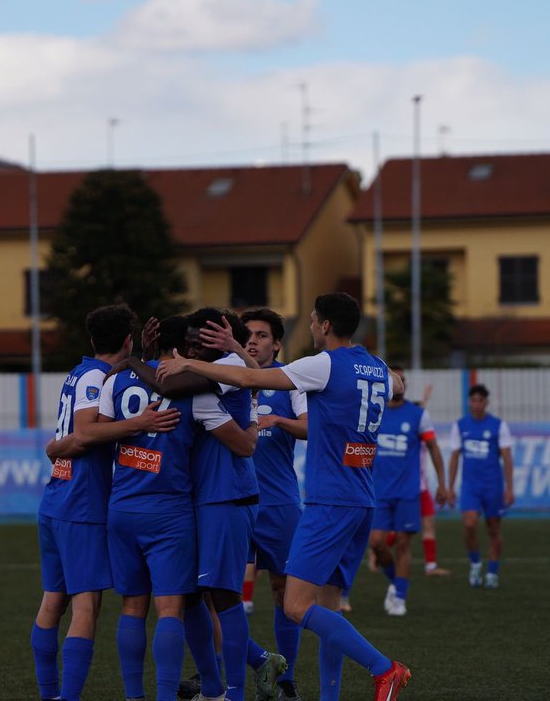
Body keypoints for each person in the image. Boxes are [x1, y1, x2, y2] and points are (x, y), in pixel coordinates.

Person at [159, 292, 412, 701]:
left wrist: (188, 361)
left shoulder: (324, 363)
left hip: (329, 501)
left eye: (313, 320)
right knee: (327, 607)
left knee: (295, 605)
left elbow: (248, 378)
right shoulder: (377, 366)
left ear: (326, 325)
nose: (311, 327)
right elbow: (399, 384)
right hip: (363, 497)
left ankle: (385, 669)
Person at [123, 308, 285, 701]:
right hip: (202, 499)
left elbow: (244, 444)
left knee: (225, 596)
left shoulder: (221, 368)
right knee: (194, 595)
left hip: (226, 497)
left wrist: (132, 361)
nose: (195, 345)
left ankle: (234, 691)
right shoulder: (213, 369)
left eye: (204, 338)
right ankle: (225, 680)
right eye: (192, 339)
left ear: (224, 338)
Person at [33, 304, 180, 701]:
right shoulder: (97, 377)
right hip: (80, 504)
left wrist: (54, 447)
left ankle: (50, 695)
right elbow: (83, 434)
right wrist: (140, 424)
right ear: (127, 339)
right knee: (85, 607)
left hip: (56, 498)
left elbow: (73, 436)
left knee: (53, 602)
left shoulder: (82, 372)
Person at [200, 308, 308, 701]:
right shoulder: (223, 376)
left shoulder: (291, 380)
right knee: (215, 592)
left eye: (262, 335)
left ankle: (286, 680)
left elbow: (312, 427)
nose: (253, 341)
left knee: (284, 592)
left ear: (277, 343)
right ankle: (229, 666)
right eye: (248, 335)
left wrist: (278, 422)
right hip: (231, 501)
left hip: (278, 503)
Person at [367, 368, 448, 616]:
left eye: (402, 380)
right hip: (378, 491)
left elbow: (433, 447)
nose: (398, 384)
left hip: (408, 491)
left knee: (403, 543)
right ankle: (394, 581)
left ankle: (400, 597)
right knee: (377, 544)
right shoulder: (373, 414)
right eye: (394, 379)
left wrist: (442, 484)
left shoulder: (418, 415)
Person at [447, 384, 514, 589]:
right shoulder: (460, 426)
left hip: (492, 485)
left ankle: (492, 571)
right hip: (470, 486)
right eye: (473, 400)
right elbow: (454, 457)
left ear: (486, 402)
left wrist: (509, 488)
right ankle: (476, 563)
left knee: (494, 529)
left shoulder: (498, 426)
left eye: (480, 400)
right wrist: (449, 487)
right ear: (469, 402)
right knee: (468, 525)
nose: (477, 404)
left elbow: (507, 458)